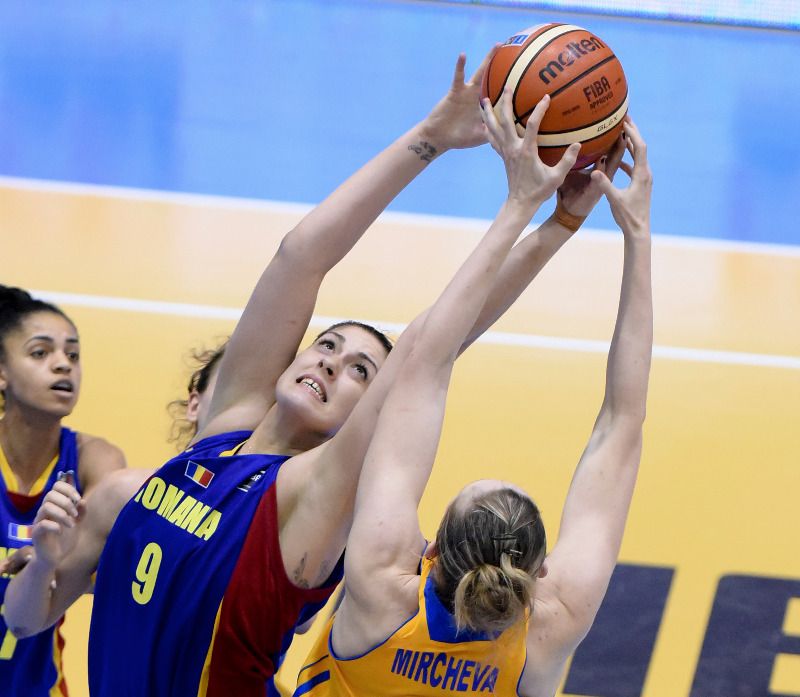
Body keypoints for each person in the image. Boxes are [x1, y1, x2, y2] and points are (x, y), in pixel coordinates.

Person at [5, 54, 621, 696]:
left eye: (361, 370)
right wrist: (431, 137)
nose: (330, 360)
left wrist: (543, 218)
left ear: (372, 414)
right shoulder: (214, 440)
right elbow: (299, 257)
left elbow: (428, 347)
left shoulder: (313, 493)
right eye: (327, 344)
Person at [293, 104, 653, 697]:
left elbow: (424, 362)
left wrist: (525, 205)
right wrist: (637, 234)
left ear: (429, 551)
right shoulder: (547, 631)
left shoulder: (383, 590)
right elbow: (624, 424)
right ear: (540, 574)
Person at [0, 285, 126, 696]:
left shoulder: (96, 460)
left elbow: (111, 569)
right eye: (40, 353)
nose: (62, 365)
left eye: (72, 355)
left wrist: (47, 565)